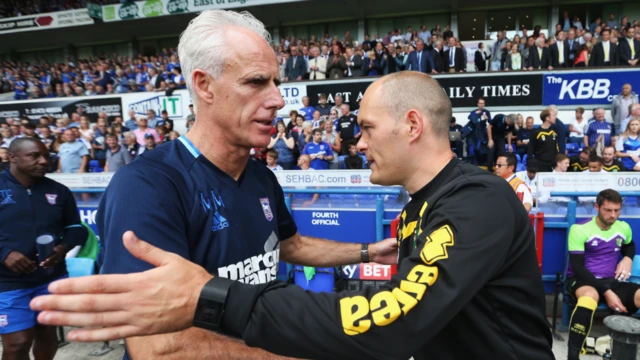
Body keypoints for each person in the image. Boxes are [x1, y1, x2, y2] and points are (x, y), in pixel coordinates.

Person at [31, 72, 554, 359]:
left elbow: (398, 320)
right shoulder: (424, 204)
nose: (357, 140)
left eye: (367, 128)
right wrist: (368, 255)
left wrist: (214, 297)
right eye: (257, 83)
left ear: (412, 125)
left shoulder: (475, 201)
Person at [43, 11, 399, 360]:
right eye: (257, 82)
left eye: (276, 83)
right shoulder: (147, 186)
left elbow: (290, 245)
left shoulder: (260, 176)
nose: (277, 99)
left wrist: (369, 251)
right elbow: (157, 348)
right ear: (204, 85)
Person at [0, 138, 87, 360]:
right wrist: (4, 253)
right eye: (34, 156)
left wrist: (63, 247)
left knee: (47, 334)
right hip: (7, 281)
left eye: (47, 156)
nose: (43, 161)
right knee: (17, 343)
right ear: (12, 157)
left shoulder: (59, 190)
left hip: (51, 277)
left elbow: (77, 229)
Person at [565, 189, 637, 360]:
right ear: (597, 207)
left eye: (617, 210)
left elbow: (630, 245)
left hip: (610, 280)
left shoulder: (623, 227)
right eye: (608, 210)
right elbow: (578, 268)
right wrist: (607, 292)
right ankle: (572, 355)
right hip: (581, 279)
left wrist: (628, 258)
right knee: (589, 298)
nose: (613, 215)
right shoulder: (579, 229)